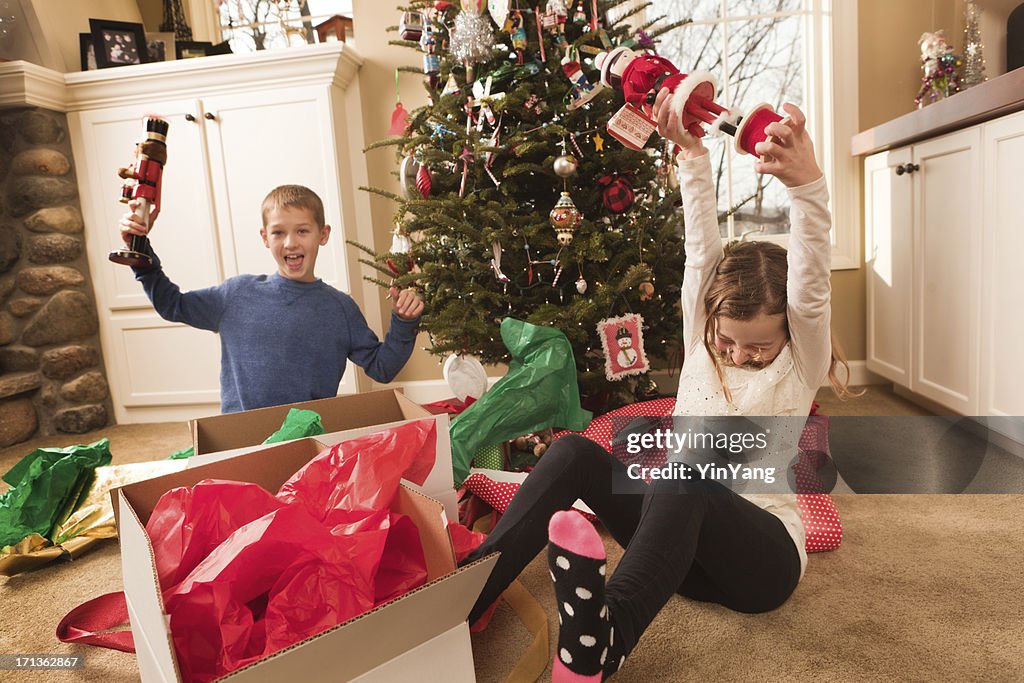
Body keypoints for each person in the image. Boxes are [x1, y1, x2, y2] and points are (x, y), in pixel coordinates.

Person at [461, 94, 857, 681]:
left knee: (688, 472)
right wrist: (692, 154)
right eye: (729, 341)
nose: (739, 354)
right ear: (710, 321)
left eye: (758, 348)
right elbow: (702, 250)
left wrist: (807, 188)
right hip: (680, 557)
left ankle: (605, 639)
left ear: (789, 339)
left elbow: (813, 277)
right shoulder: (701, 334)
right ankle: (466, 592)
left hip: (761, 563)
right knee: (575, 451)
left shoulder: (801, 359)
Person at [120, 184, 423, 413]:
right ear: (265, 237)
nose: (291, 242)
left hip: (308, 438)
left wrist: (404, 323)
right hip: (240, 439)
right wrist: (140, 248)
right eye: (279, 233)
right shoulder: (236, 294)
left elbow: (382, 369)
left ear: (323, 234)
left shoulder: (340, 308)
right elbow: (173, 305)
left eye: (303, 230)